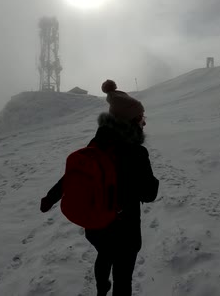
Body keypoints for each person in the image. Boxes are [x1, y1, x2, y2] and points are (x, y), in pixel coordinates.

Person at [40, 79, 159, 296]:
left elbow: (73, 174)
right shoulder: (137, 153)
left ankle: (101, 289)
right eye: (141, 118)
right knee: (123, 276)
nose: (144, 122)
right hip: (125, 230)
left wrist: (50, 197)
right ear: (130, 121)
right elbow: (149, 194)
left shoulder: (97, 143)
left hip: (97, 224)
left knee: (104, 255)